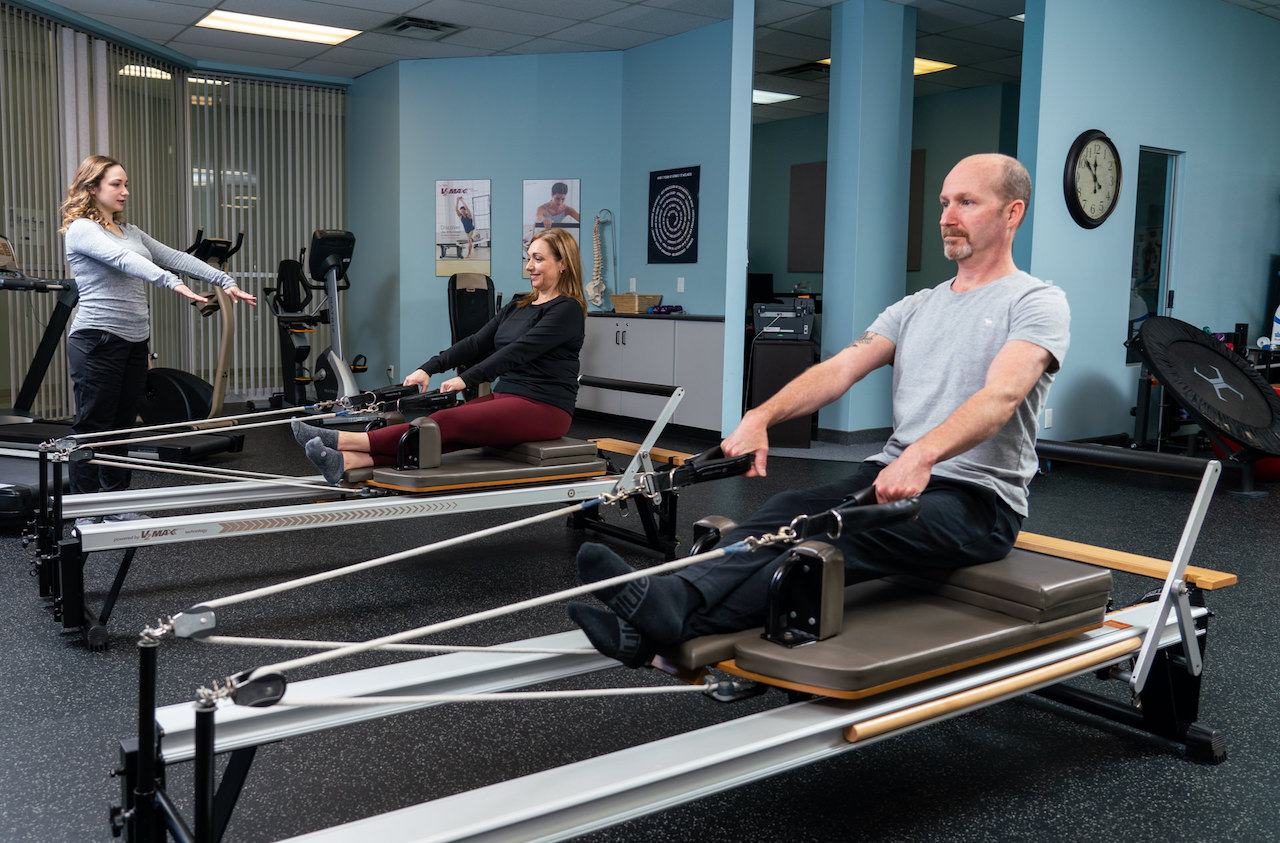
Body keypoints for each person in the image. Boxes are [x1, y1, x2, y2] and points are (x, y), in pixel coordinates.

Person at [567, 153, 1071, 667]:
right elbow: (840, 369)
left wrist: (923, 455)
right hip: (888, 474)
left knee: (832, 533)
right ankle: (663, 612)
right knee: (783, 509)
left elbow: (1001, 397)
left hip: (977, 501)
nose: (946, 215)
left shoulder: (1035, 302)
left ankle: (671, 615)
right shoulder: (918, 305)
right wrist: (761, 416)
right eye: (944, 202)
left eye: (966, 202)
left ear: (1012, 213)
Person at [293, 227, 587, 483]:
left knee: (445, 423)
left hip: (545, 407)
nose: (530, 266)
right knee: (448, 432)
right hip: (508, 397)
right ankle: (349, 462)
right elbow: (474, 343)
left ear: (562, 264)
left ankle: (345, 441)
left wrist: (466, 379)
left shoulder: (567, 310)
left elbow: (518, 352)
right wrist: (429, 368)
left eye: (539, 259)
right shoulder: (519, 305)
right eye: (529, 258)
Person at [59, 154, 257, 498]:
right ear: (92, 188)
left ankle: (117, 502)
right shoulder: (81, 230)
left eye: (126, 184)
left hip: (135, 340)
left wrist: (224, 280)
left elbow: (176, 257)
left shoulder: (130, 230)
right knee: (94, 428)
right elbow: (124, 260)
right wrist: (170, 282)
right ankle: (84, 508)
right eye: (116, 184)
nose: (125, 192)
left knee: (122, 428)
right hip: (97, 340)